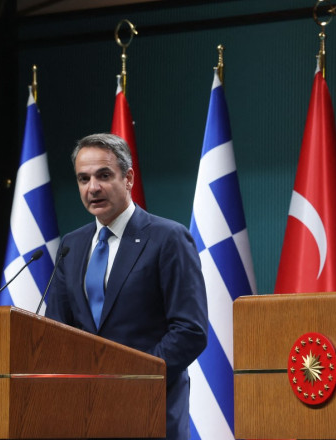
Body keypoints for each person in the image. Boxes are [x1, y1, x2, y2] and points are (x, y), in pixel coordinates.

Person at [46, 133, 208, 440]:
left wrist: (133, 380)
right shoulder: (72, 245)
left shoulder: (168, 239)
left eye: (103, 176)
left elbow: (190, 330)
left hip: (148, 411)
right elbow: (57, 331)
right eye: (83, 179)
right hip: (84, 416)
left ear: (129, 178)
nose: (92, 188)